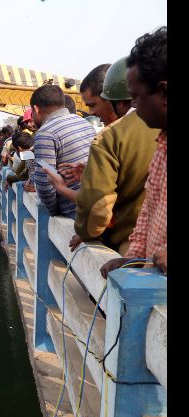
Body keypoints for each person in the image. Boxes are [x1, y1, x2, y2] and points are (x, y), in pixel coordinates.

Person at [70, 58, 159, 254]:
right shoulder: (158, 131)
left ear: (116, 102)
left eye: (93, 105)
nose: (92, 113)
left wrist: (84, 232)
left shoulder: (110, 137)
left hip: (133, 248)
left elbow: (97, 207)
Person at [100, 27, 167, 277]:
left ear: (163, 92)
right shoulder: (162, 144)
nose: (134, 106)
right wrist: (134, 258)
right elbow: (149, 210)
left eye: (137, 97)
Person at [29, 84, 96, 218]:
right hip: (95, 206)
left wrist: (54, 212)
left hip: (73, 213)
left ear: (36, 109)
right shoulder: (85, 123)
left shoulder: (45, 133)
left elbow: (44, 185)